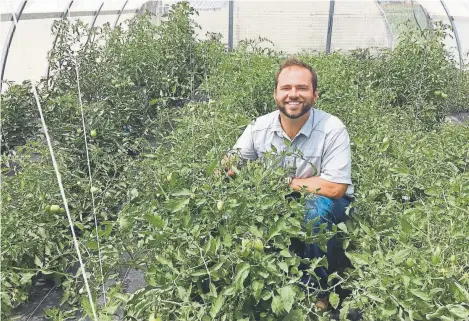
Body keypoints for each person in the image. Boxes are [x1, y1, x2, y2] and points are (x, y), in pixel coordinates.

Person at [220, 57, 354, 311]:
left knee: (314, 211)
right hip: (280, 199)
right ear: (275, 95)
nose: (293, 95)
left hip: (330, 203)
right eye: (286, 88)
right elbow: (232, 160)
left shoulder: (332, 128)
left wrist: (284, 183)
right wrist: (225, 168)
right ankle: (259, 282)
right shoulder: (259, 127)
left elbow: (336, 187)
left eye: (302, 88)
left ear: (315, 95)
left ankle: (318, 293)